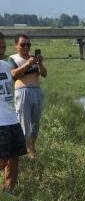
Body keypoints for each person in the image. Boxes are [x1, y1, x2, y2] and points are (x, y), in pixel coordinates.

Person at [8, 34, 47, 157]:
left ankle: (32, 148)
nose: (26, 47)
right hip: (23, 92)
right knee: (24, 124)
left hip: (36, 92)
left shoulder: (33, 58)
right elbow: (13, 74)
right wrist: (28, 64)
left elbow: (44, 74)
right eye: (22, 44)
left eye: (28, 45)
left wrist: (40, 63)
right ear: (16, 46)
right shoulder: (13, 58)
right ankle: (25, 151)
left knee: (35, 123)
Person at [0, 32, 26, 192]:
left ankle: (8, 193)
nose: (1, 49)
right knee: (2, 160)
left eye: (3, 46)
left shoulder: (6, 66)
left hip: (13, 120)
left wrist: (32, 63)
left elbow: (17, 75)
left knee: (14, 159)